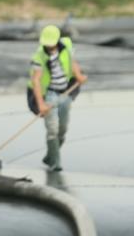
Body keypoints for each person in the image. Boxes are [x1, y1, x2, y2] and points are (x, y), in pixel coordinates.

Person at [27, 25, 88, 172]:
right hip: (49, 94)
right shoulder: (39, 56)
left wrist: (78, 75)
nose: (48, 46)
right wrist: (41, 103)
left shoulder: (66, 45)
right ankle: (56, 162)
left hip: (65, 92)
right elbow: (36, 80)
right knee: (52, 128)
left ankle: (50, 156)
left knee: (63, 128)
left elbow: (71, 62)